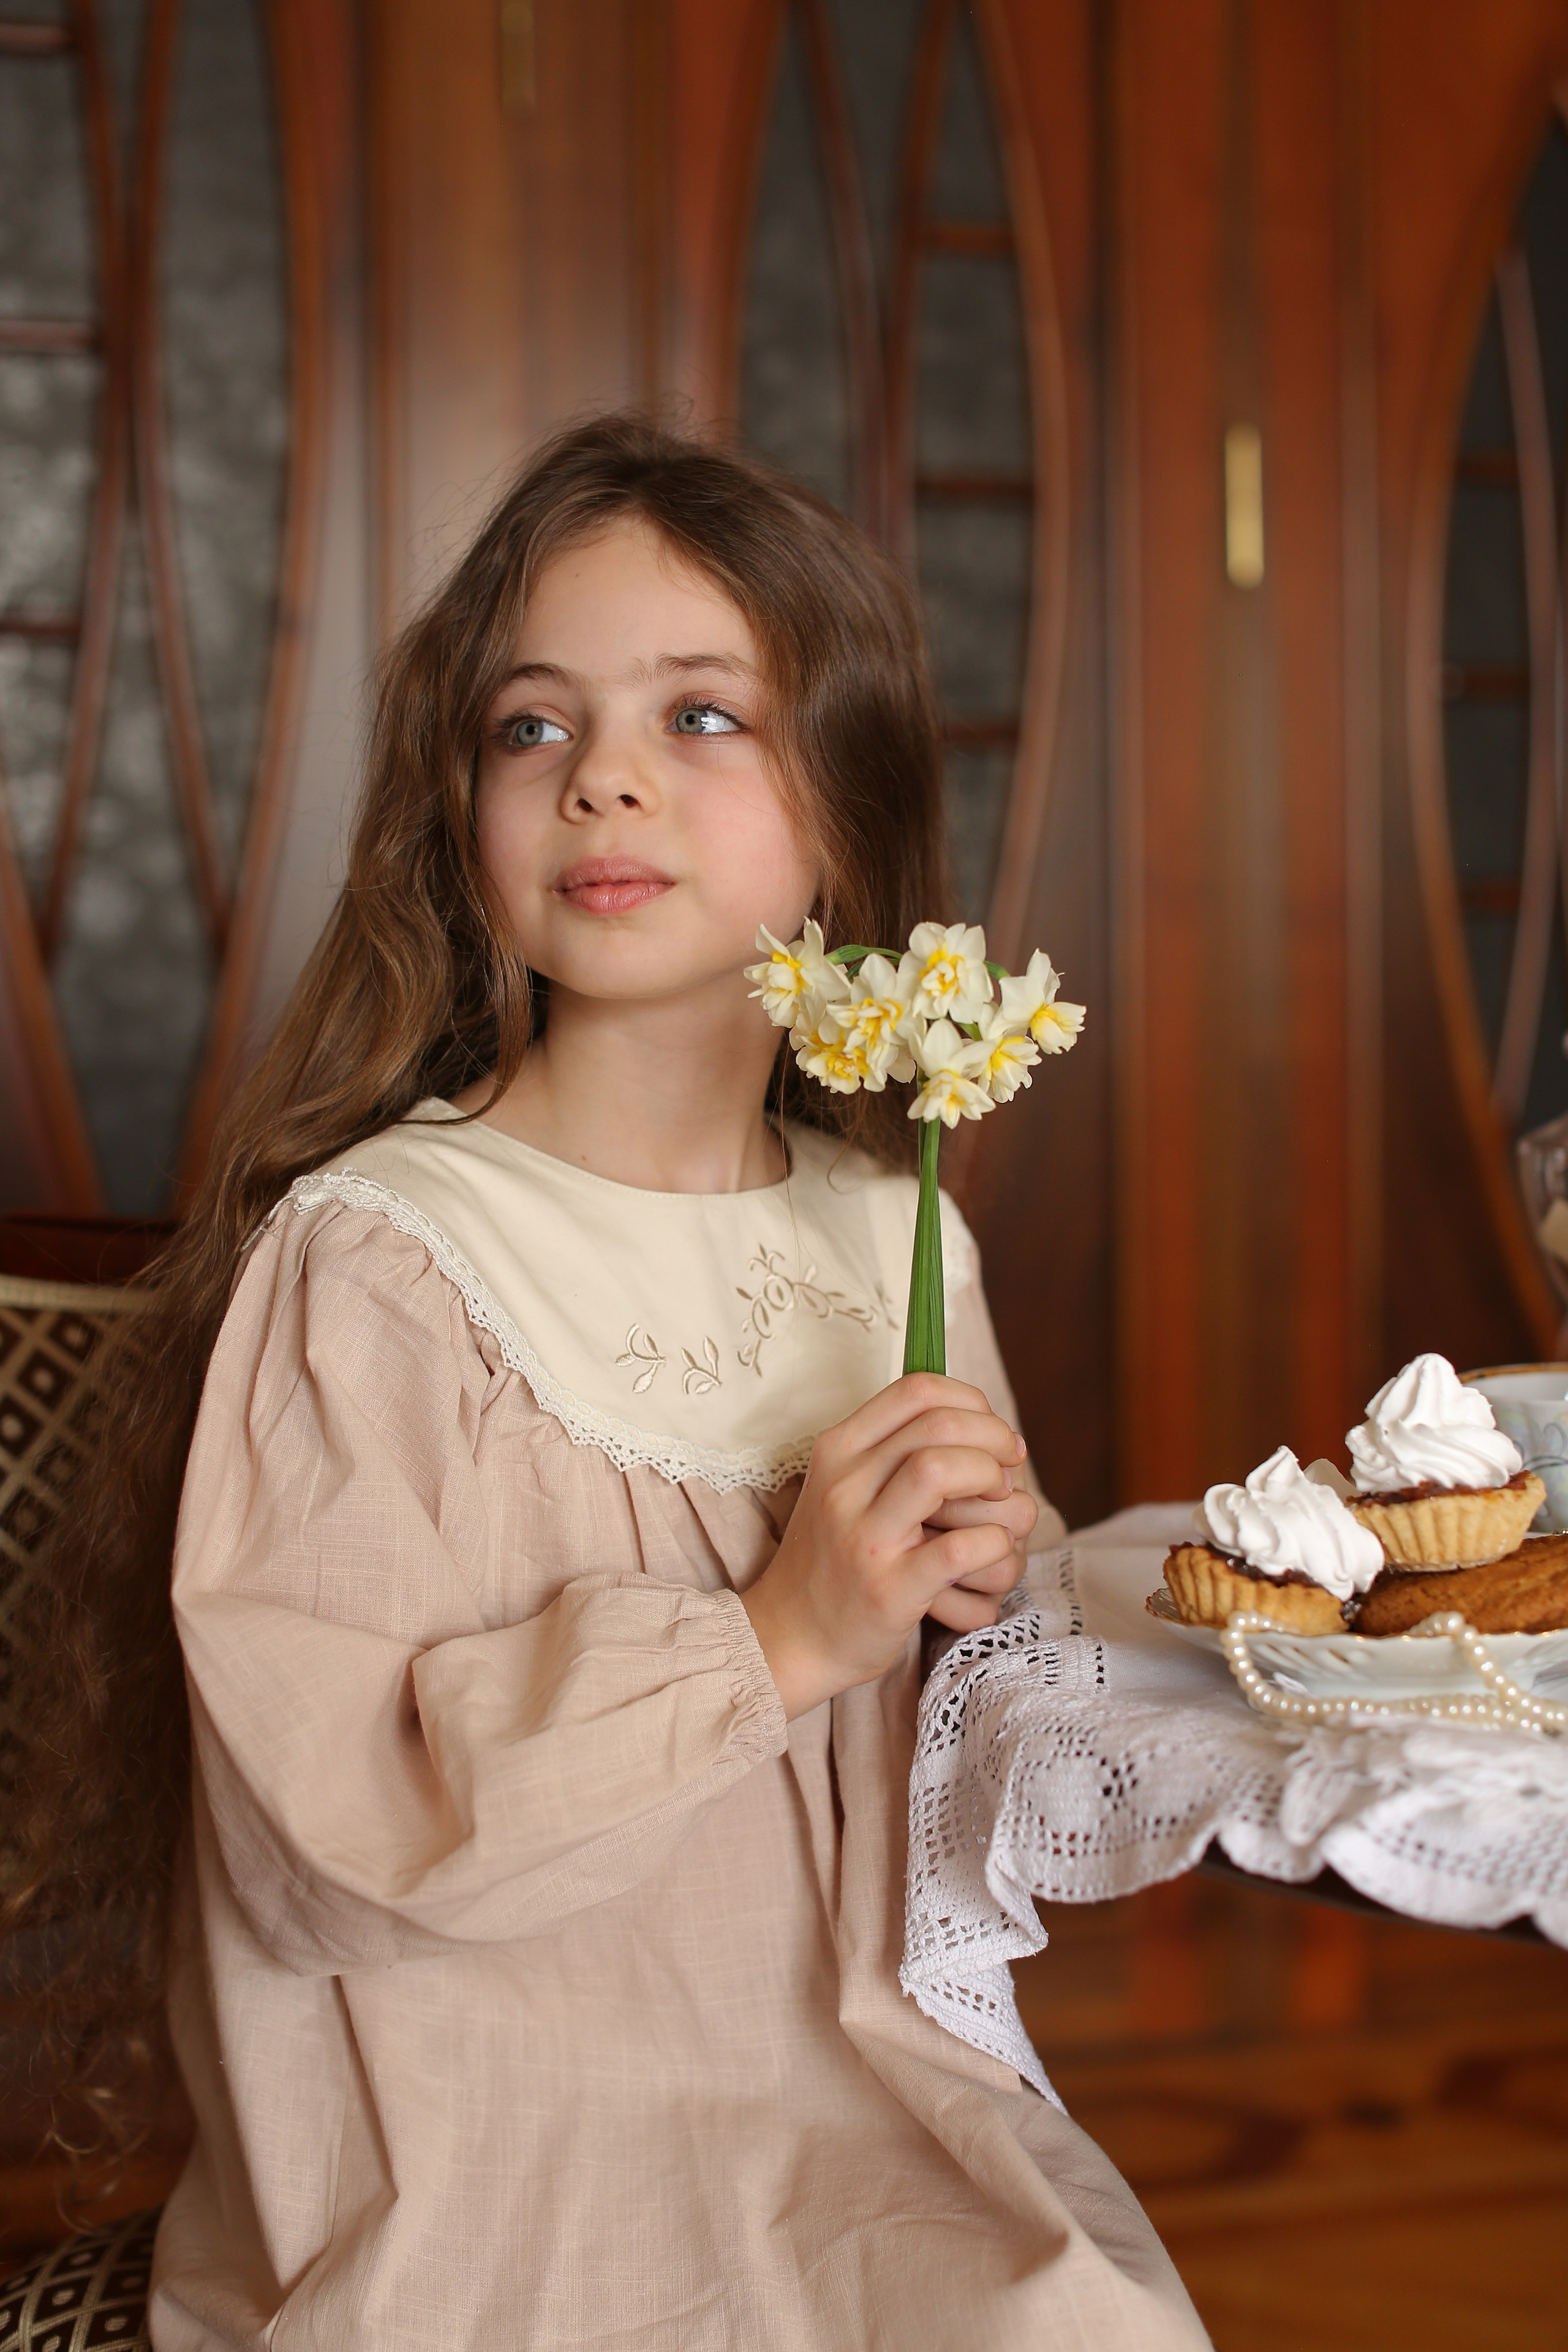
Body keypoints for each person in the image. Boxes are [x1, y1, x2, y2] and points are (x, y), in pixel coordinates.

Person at [19, 415, 1208, 2349]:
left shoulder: (889, 1229)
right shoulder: (385, 1263)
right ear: (458, 807)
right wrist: (776, 1637)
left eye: (704, 719)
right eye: (534, 728)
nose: (606, 787)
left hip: (856, 2121)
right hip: (481, 2163)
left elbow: (960, 1787)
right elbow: (329, 1837)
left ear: (842, 809)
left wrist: (985, 1610)